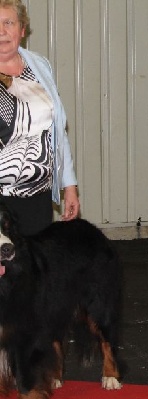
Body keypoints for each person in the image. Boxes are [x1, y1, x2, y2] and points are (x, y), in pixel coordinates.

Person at [0, 0, 79, 235]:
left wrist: (69, 186)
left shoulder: (40, 66)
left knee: (34, 268)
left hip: (38, 197)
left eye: (8, 23)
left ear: (22, 30)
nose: (1, 31)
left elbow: (56, 130)